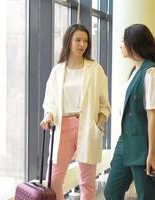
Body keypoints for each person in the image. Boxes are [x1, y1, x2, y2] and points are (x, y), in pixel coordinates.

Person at [40, 24, 111, 200]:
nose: (82, 44)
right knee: (53, 180)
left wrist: (98, 125)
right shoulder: (58, 71)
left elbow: (104, 104)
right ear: (68, 41)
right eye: (78, 40)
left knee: (87, 182)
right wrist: (49, 115)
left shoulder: (95, 69)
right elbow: (50, 101)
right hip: (63, 127)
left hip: (87, 126)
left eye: (85, 41)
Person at [104, 24, 155, 200]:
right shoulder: (135, 70)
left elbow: (153, 117)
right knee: (111, 191)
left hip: (144, 146)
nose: (121, 45)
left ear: (134, 44)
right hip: (125, 141)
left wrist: (151, 153)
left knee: (146, 195)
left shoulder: (151, 72)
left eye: (124, 41)